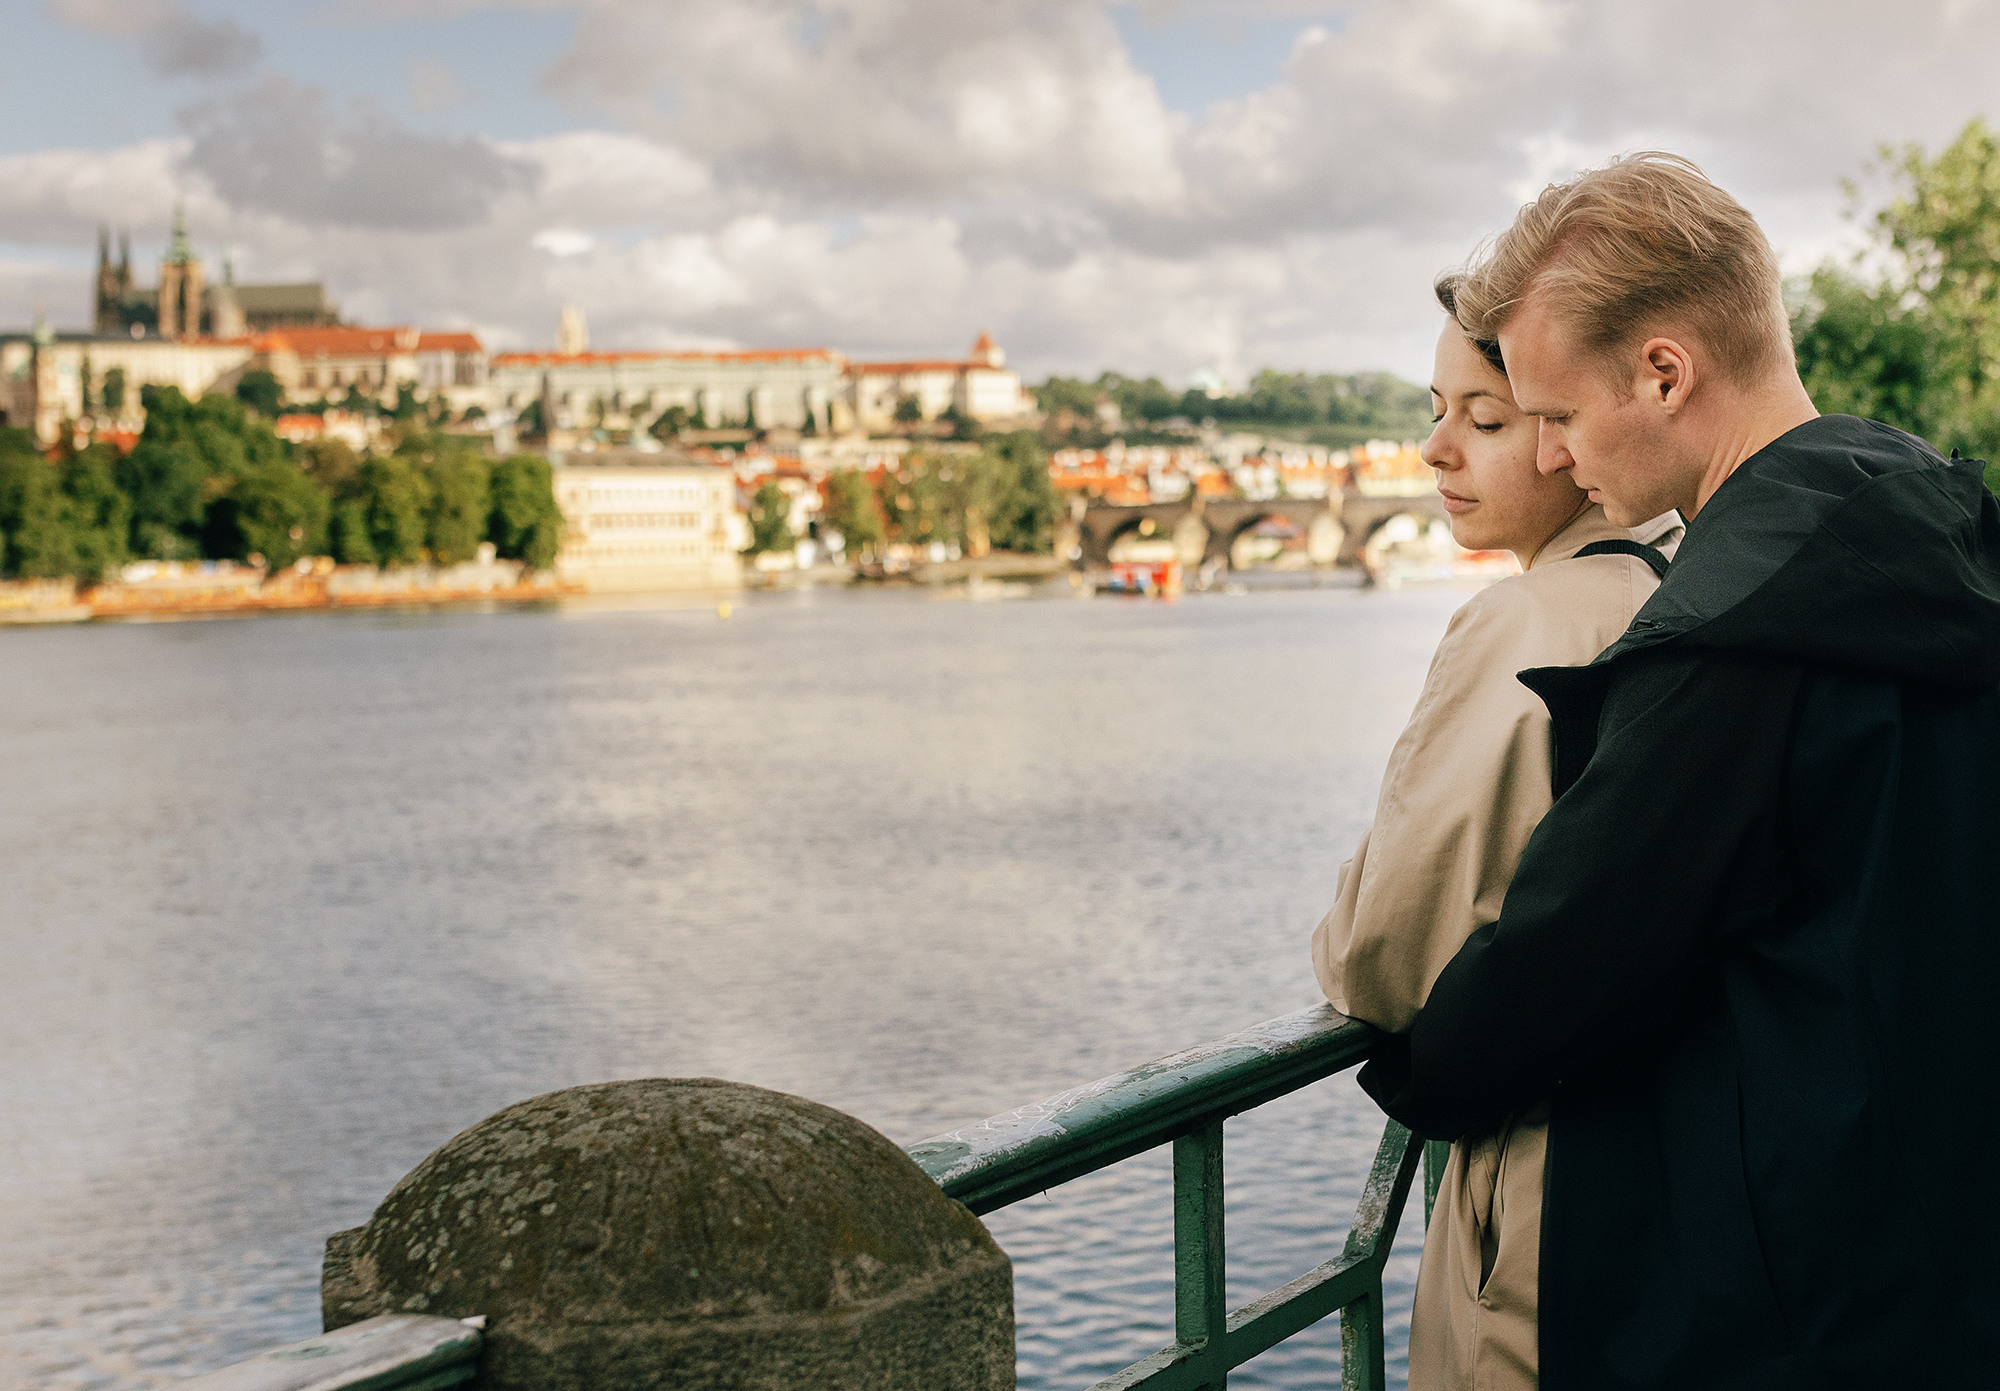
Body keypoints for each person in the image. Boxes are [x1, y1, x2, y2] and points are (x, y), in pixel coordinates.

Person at [1359, 153, 2000, 1389]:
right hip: (1935, 1239)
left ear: (1662, 372)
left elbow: (1564, 956)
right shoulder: (1919, 507)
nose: (1549, 451)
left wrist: (1414, 1067)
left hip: (1788, 1294)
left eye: (1553, 412)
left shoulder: (1730, 631)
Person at [1313, 277, 1678, 1391]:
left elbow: (1379, 953)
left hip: (1539, 1214)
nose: (1434, 449)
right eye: (1434, 410)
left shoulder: (1526, 623)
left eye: (1483, 417)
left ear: (1572, 428)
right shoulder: (1694, 581)